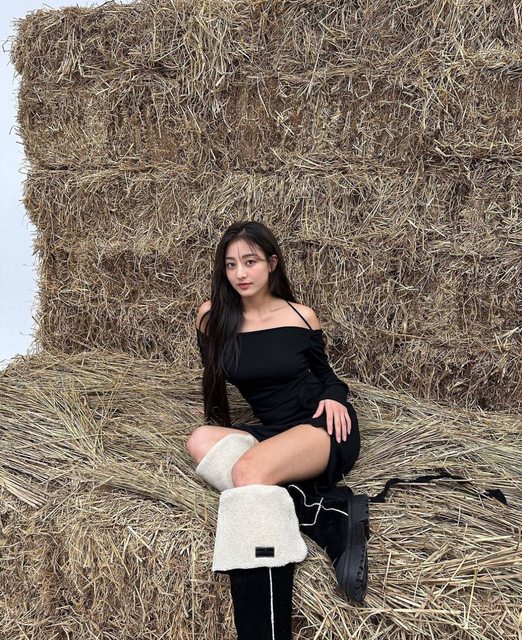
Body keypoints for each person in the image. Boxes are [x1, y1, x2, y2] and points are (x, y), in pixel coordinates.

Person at [186, 220, 369, 640]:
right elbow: (214, 374)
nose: (240, 273)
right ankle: (326, 514)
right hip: (274, 430)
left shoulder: (299, 315)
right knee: (200, 440)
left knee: (247, 473)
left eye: (250, 262)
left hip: (320, 426)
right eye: (231, 264)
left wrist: (335, 398)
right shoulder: (212, 318)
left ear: (271, 263)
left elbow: (327, 377)